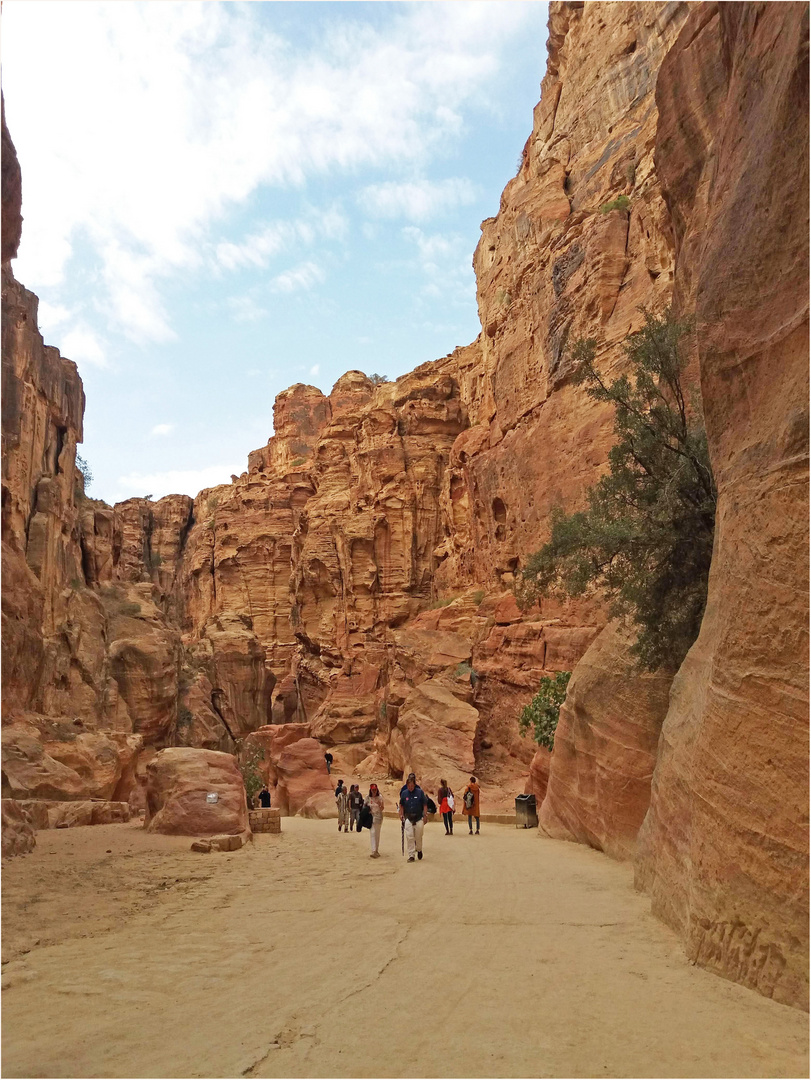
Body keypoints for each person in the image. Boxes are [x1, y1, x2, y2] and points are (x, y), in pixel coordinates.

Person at [399, 772, 428, 862]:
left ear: (414, 785)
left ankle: (419, 849)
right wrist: (401, 814)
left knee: (418, 836)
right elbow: (401, 805)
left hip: (419, 817)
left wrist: (425, 815)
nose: (410, 787)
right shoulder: (404, 793)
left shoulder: (419, 792)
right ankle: (411, 855)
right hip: (408, 818)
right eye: (409, 785)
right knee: (409, 836)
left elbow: (424, 804)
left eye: (412, 785)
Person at [364, 783, 385, 858]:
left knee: (377, 834)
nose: (374, 791)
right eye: (373, 790)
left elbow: (382, 808)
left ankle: (376, 850)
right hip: (371, 817)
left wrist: (380, 804)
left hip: (378, 817)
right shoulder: (368, 797)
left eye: (375, 790)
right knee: (372, 833)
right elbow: (364, 806)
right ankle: (373, 850)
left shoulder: (380, 797)